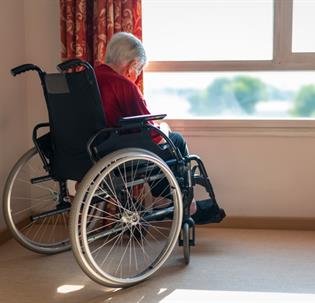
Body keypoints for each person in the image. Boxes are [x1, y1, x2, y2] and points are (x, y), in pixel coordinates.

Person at [94, 32, 223, 224]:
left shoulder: (89, 77)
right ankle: (182, 202)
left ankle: (166, 199)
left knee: (165, 144)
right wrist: (164, 127)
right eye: (138, 69)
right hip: (118, 152)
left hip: (92, 148)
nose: (136, 74)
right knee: (174, 140)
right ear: (132, 64)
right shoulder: (124, 85)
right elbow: (152, 135)